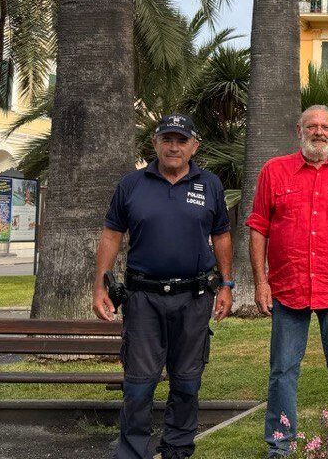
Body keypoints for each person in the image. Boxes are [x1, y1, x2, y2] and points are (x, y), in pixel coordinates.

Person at [92, 114, 233, 459]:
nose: (173, 146)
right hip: (143, 300)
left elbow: (221, 235)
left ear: (194, 146)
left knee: (187, 382)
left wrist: (227, 284)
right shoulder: (131, 184)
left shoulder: (210, 184)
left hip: (195, 298)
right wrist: (99, 285)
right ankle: (132, 451)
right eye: (166, 139)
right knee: (139, 384)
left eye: (181, 140)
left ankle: (177, 449)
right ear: (154, 144)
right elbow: (111, 234)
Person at [247, 105, 328, 456]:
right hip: (289, 287)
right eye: (312, 126)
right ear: (298, 131)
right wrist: (262, 282)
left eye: (325, 127)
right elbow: (258, 228)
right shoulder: (274, 171)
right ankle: (281, 444)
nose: (319, 132)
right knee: (283, 370)